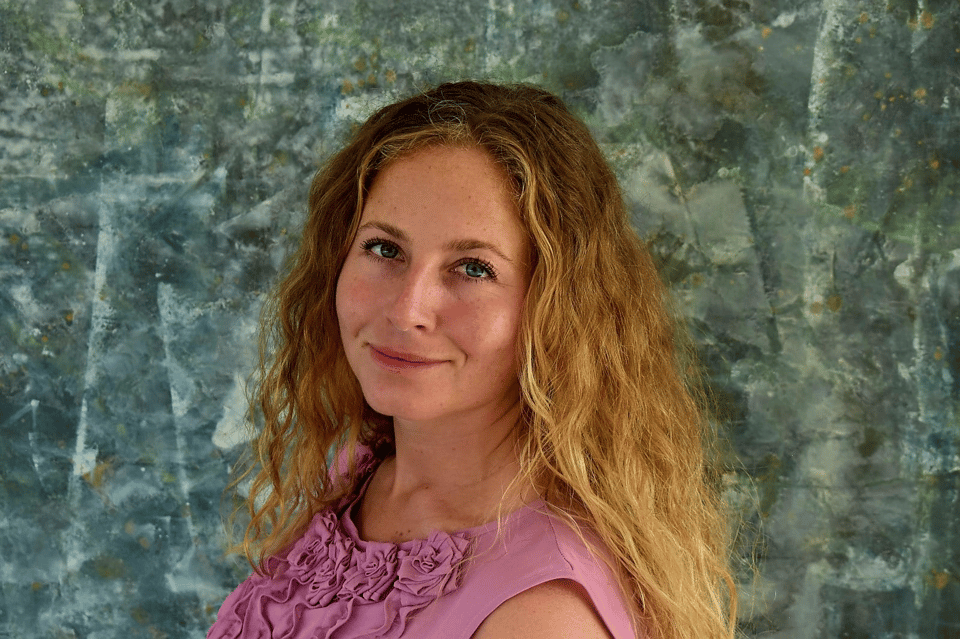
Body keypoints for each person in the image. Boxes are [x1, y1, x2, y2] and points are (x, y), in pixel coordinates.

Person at [207, 81, 737, 639]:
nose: (407, 309)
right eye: (385, 249)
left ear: (555, 310)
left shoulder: (542, 617)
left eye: (473, 268)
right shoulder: (359, 475)